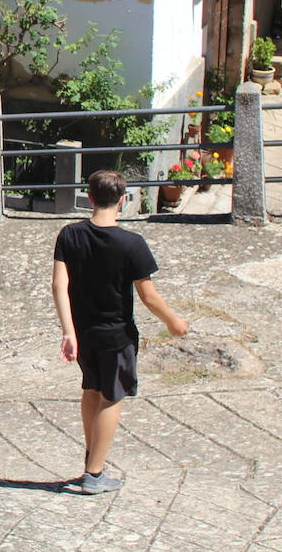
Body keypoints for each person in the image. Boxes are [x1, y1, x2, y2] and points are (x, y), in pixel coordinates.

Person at [52, 170, 189, 494]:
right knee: (113, 397)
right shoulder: (132, 244)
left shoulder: (69, 235)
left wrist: (68, 332)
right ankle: (94, 473)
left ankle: (91, 456)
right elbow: (149, 296)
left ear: (90, 196)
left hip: (84, 332)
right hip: (117, 335)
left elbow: (59, 285)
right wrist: (173, 322)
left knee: (92, 390)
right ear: (122, 200)